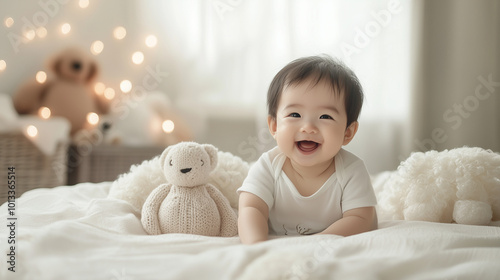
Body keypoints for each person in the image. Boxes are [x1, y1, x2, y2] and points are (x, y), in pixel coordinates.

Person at [237, 55, 378, 244]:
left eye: (325, 116)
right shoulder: (269, 166)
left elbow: (361, 219)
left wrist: (314, 244)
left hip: (324, 248)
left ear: (347, 132)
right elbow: (250, 208)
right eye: (295, 114)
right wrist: (256, 246)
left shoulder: (352, 170)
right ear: (274, 126)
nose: (308, 127)